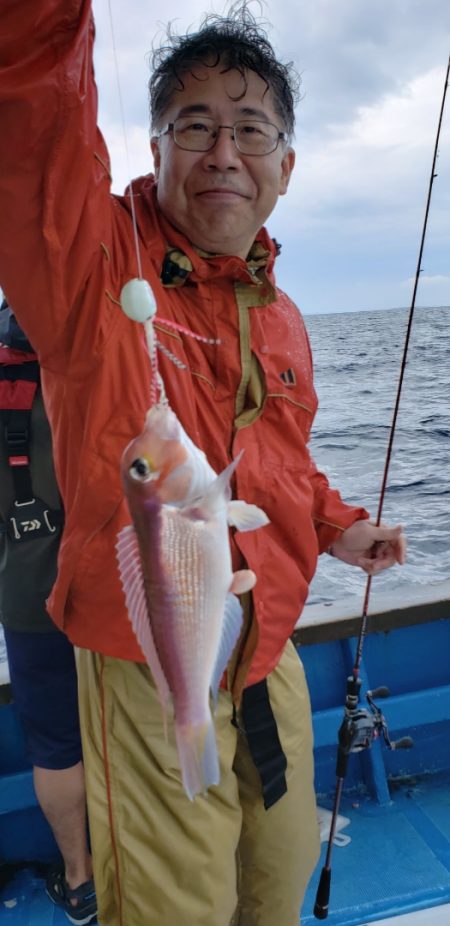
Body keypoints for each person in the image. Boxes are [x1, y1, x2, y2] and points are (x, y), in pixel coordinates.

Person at [0, 4, 405, 925]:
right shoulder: (94, 270)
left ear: (286, 167)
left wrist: (339, 527)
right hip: (149, 656)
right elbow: (30, 124)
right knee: (178, 909)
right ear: (154, 148)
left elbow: (281, 464)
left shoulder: (282, 312)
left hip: (269, 646)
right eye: (194, 126)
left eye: (250, 128)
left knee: (279, 878)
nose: (223, 152)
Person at [0, 300, 97, 924]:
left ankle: (81, 881)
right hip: (116, 582)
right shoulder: (102, 356)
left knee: (56, 744)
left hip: (28, 588)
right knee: (133, 723)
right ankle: (145, 856)